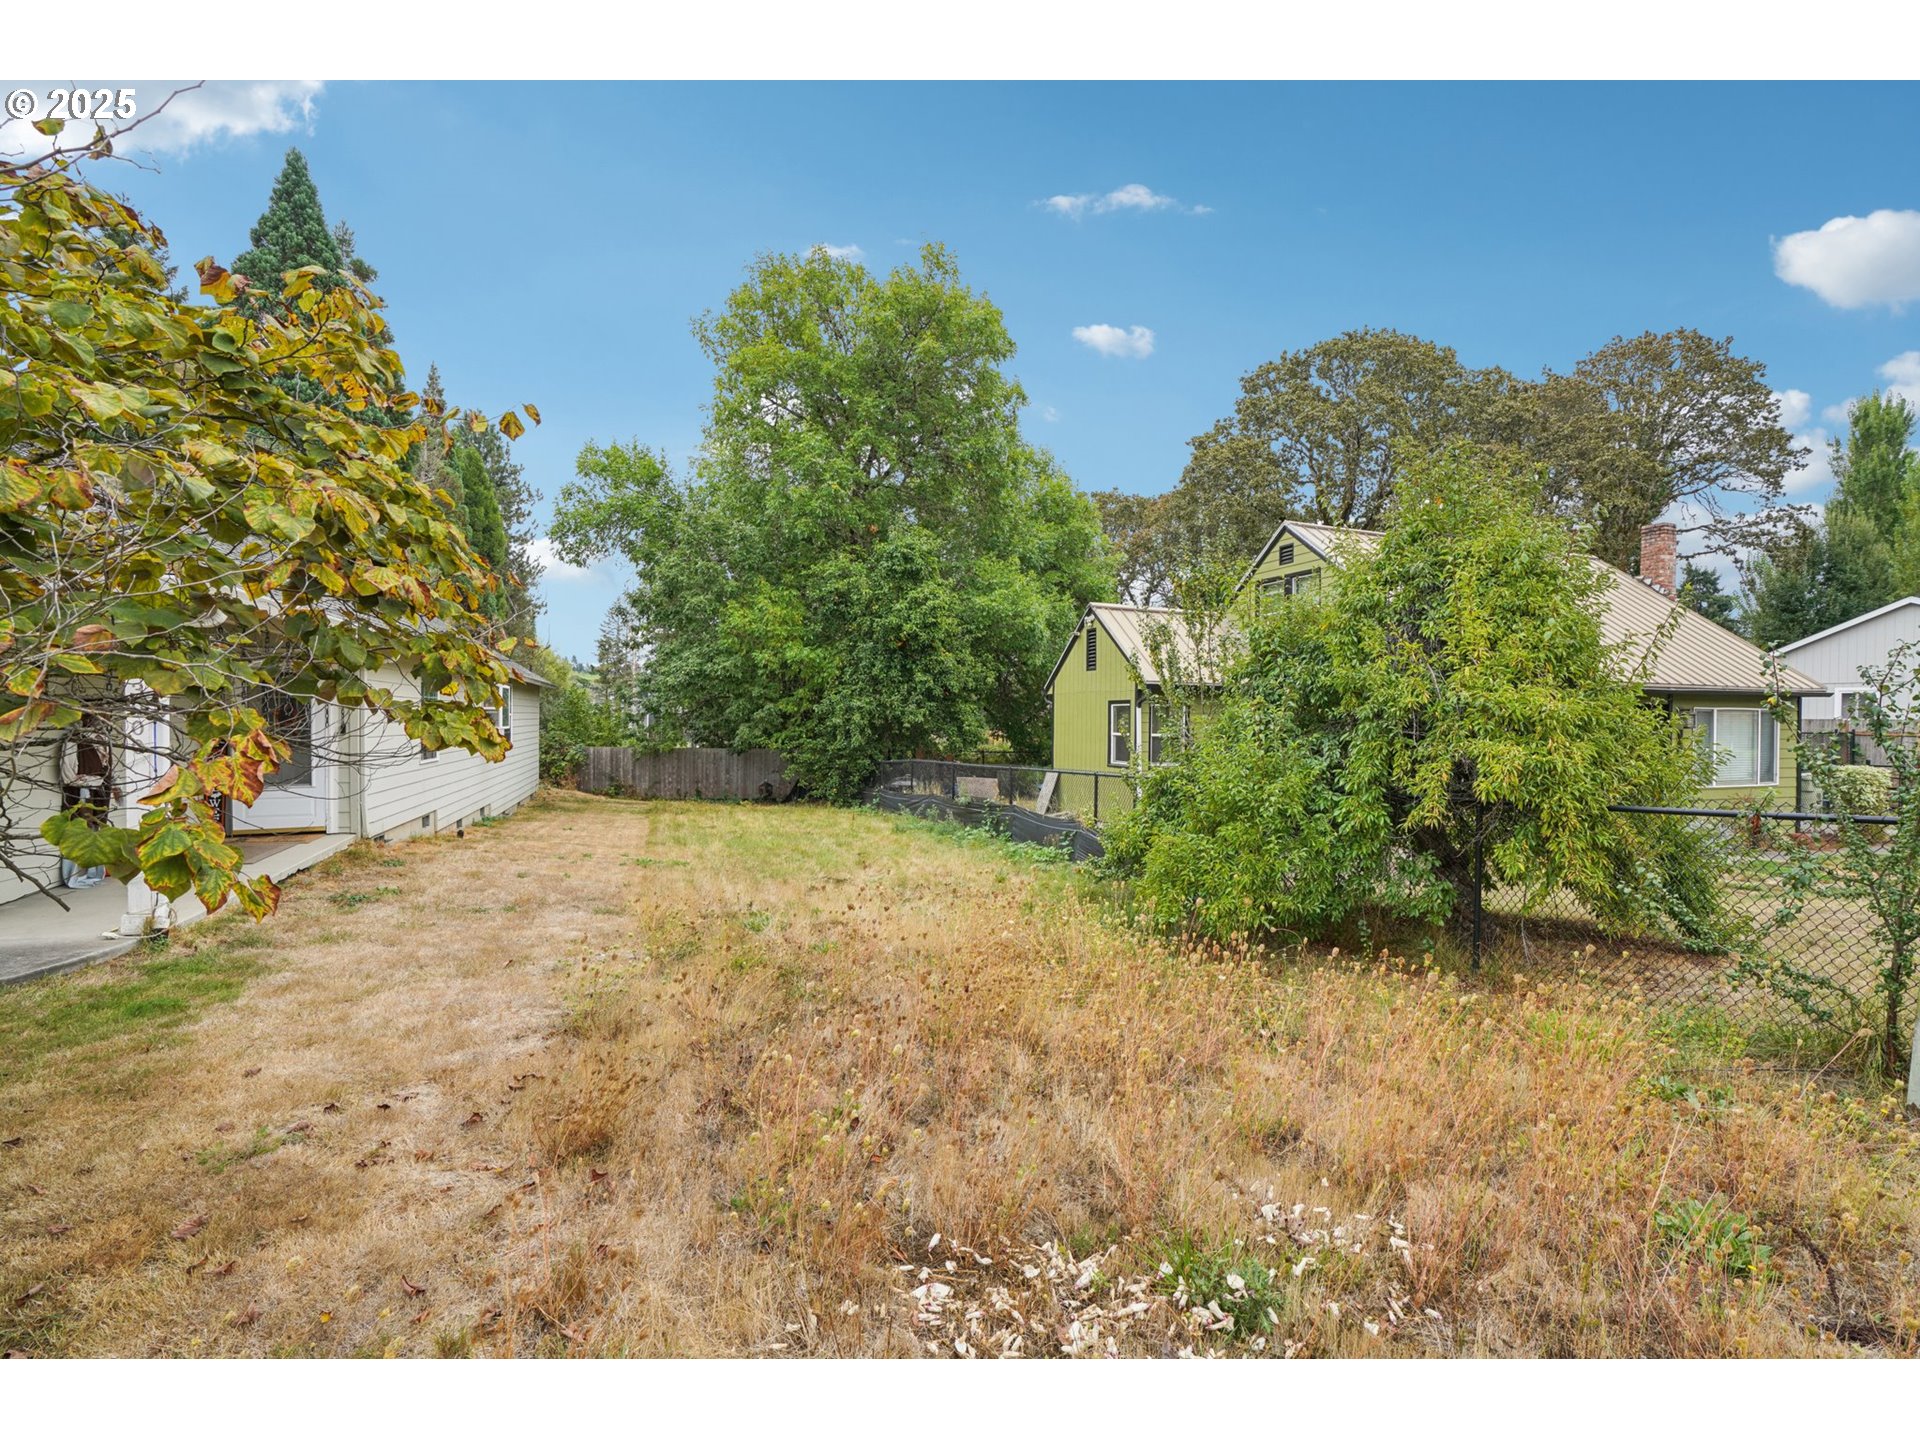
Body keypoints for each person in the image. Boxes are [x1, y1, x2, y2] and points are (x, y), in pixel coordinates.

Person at [57, 713, 116, 889]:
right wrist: (84, 784)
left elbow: (107, 768)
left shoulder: (103, 740)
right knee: (77, 832)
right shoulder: (74, 740)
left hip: (100, 790)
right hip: (81, 791)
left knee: (97, 832)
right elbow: (67, 773)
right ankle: (72, 877)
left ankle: (95, 872)